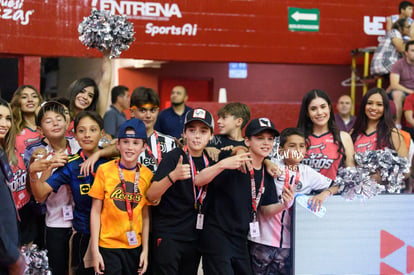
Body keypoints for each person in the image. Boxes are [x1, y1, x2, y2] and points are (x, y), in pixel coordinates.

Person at [195, 118, 294, 275]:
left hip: (241, 238)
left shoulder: (267, 171)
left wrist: (284, 204)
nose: (266, 143)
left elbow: (265, 209)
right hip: (217, 235)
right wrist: (223, 164)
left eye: (270, 139)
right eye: (260, 138)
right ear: (247, 141)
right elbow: (198, 180)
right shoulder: (233, 158)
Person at [29, 111, 109, 275]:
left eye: (93, 130)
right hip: (84, 235)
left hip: (112, 235)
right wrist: (33, 175)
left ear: (102, 133)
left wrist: (99, 154)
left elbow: (122, 145)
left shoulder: (113, 158)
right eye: (81, 131)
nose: (87, 135)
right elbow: (40, 194)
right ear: (74, 135)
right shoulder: (70, 165)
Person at [249, 127, 335, 275]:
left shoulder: (308, 173)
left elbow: (338, 185)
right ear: (281, 150)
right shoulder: (272, 166)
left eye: (301, 146)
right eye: (292, 145)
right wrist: (268, 162)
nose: (297, 150)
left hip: (290, 244)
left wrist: (324, 193)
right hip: (262, 241)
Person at [146, 108, 219, 275]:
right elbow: (151, 195)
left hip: (194, 237)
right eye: (192, 130)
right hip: (169, 234)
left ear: (211, 136)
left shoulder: (211, 161)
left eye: (203, 131)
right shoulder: (174, 157)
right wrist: (173, 176)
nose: (197, 136)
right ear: (184, 134)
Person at [89, 118, 152, 275]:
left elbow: (145, 216)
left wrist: (145, 250)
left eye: (136, 143)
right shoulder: (104, 170)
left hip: (135, 247)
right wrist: (95, 251)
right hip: (108, 246)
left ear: (144, 146)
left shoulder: (147, 175)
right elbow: (95, 211)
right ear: (118, 145)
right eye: (125, 142)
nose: (130, 147)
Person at [24, 101, 80, 275]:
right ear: (40, 130)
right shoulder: (40, 154)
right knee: (57, 269)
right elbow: (39, 196)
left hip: (82, 221)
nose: (55, 123)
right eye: (48, 121)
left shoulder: (79, 145)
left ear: (67, 123)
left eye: (59, 119)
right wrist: (50, 165)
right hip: (55, 222)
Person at [10, 85, 44, 247]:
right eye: (24, 97)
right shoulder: (12, 128)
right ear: (18, 102)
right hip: (21, 192)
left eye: (34, 96)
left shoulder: (47, 125)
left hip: (46, 190)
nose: (30, 100)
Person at [297, 89, 355, 181]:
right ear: (307, 113)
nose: (319, 112)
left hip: (334, 194)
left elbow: (352, 175)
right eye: (313, 109)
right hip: (302, 195)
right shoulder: (297, 138)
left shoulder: (344, 137)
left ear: (329, 108)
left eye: (323, 107)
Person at [0, 98, 26, 275]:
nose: (4, 123)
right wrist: (11, 256)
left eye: (8, 118)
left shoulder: (2, 152)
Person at [130, 87, 176, 173]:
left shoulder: (170, 143)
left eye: (152, 110)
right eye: (143, 110)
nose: (148, 115)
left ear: (158, 111)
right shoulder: (124, 143)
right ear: (132, 112)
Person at [352, 87, 408, 158]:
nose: (373, 108)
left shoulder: (393, 134)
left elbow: (404, 166)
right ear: (363, 106)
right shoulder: (353, 133)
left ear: (385, 108)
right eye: (369, 103)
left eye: (379, 104)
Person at [391, 40, 414, 129]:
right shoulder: (398, 64)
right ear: (406, 53)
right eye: (412, 50)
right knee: (397, 94)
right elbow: (394, 85)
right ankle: (397, 124)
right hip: (404, 91)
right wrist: (410, 91)